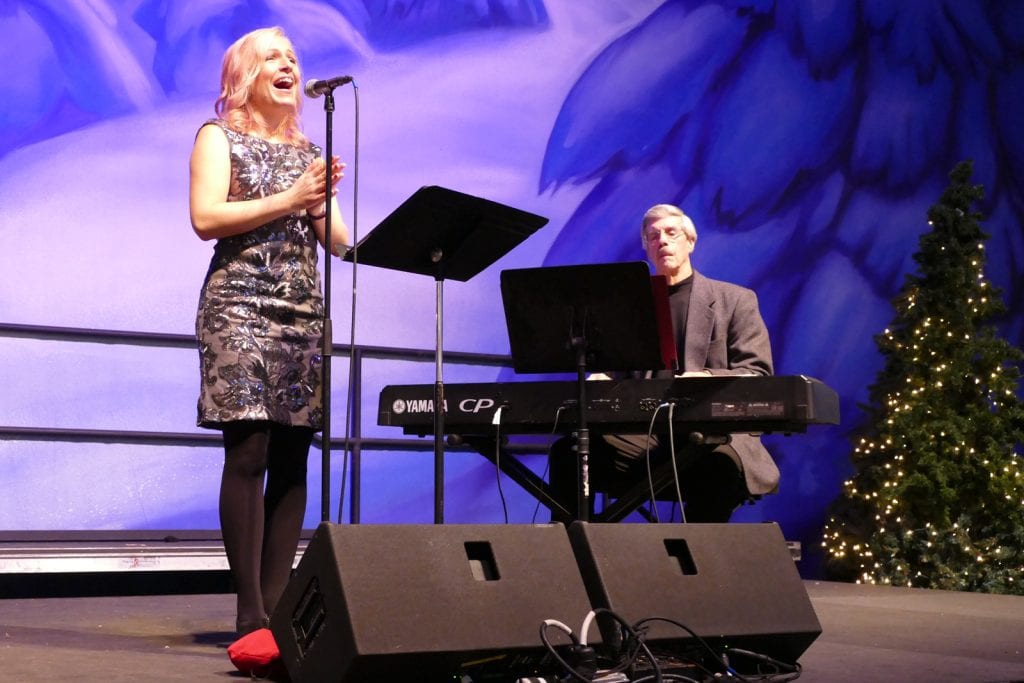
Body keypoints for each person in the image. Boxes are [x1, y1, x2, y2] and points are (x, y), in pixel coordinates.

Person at [189, 26, 349, 636]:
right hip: (240, 306)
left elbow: (334, 237)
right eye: (273, 58)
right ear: (246, 77)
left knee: (293, 453)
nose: (288, 65)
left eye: (292, 57)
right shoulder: (217, 138)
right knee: (250, 448)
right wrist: (293, 197)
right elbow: (207, 218)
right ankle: (249, 609)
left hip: (302, 313)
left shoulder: (308, 154)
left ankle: (278, 608)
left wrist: (329, 203)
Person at [548, 204, 778, 524]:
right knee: (567, 454)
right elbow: (617, 373)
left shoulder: (735, 300)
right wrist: (603, 379)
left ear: (690, 242)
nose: (662, 241)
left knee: (718, 467)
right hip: (646, 434)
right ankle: (571, 555)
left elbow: (757, 373)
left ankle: (698, 565)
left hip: (713, 437)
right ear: (646, 247)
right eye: (653, 236)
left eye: (672, 233)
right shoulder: (631, 308)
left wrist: (707, 376)